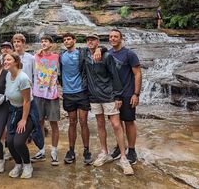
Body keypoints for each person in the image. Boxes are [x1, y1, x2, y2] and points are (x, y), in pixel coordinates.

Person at [82, 34, 134, 175]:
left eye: (93, 40)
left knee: (116, 125)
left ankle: (123, 157)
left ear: (98, 42)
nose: (90, 42)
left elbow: (114, 76)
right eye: (88, 40)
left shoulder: (107, 56)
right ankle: (104, 152)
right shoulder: (85, 55)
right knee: (99, 124)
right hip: (93, 97)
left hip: (109, 95)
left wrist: (117, 96)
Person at [107, 29, 142, 165]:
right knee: (116, 123)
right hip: (113, 96)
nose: (113, 38)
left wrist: (136, 94)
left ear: (121, 38)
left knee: (129, 122)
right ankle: (120, 146)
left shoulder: (129, 54)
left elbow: (137, 74)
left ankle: (132, 150)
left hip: (128, 94)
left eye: (116, 36)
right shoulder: (107, 54)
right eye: (111, 37)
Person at [59, 33, 94, 165]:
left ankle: (86, 150)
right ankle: (71, 150)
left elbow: (98, 48)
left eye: (69, 39)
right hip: (68, 93)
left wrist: (101, 49)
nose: (66, 41)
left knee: (83, 121)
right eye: (64, 40)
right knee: (72, 122)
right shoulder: (61, 55)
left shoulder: (82, 52)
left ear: (74, 40)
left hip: (82, 92)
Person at [12, 33, 44, 162]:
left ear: (24, 43)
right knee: (17, 124)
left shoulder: (31, 58)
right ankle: (21, 149)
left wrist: (35, 93)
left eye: (19, 41)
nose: (17, 44)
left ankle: (41, 149)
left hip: (29, 95)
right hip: (15, 96)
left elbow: (36, 75)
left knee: (34, 121)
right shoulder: (10, 58)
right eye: (15, 42)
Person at [3, 53, 35, 179]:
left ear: (16, 62)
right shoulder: (8, 75)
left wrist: (23, 120)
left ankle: (27, 165)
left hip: (27, 112)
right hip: (13, 110)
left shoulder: (23, 78)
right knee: (10, 141)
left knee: (19, 142)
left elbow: (27, 101)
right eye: (4, 59)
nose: (5, 61)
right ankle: (18, 164)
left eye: (8, 59)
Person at [32, 35, 60, 166]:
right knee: (39, 123)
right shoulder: (35, 57)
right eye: (42, 41)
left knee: (54, 124)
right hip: (38, 95)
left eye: (46, 41)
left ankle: (54, 152)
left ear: (51, 44)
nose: (43, 43)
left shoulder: (57, 57)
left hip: (52, 95)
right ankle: (41, 150)